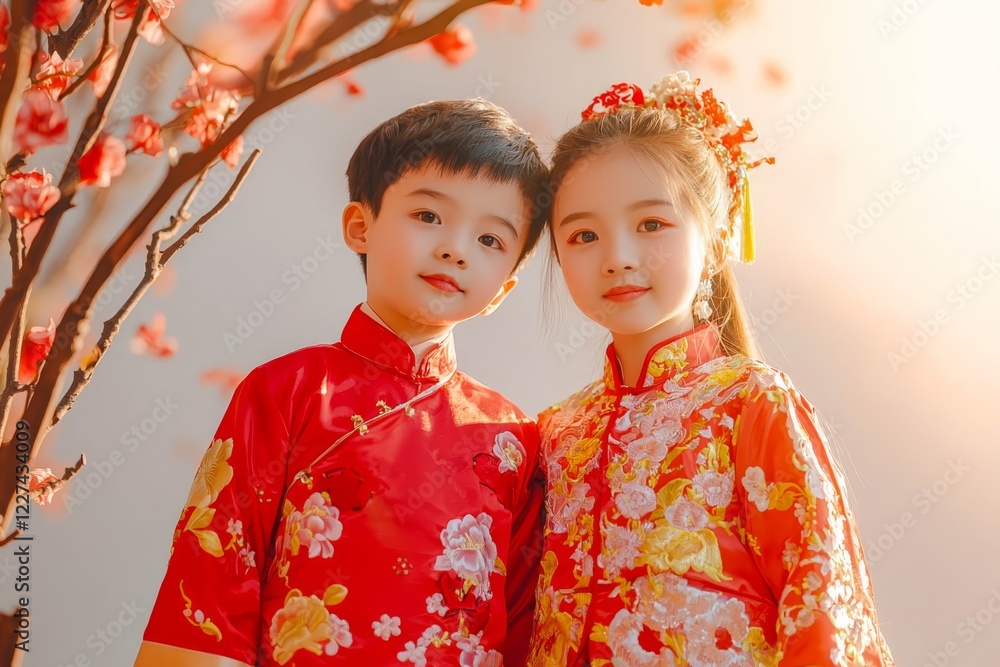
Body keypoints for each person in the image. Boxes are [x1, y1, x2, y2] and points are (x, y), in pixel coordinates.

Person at [135, 98, 549, 667]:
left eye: (491, 241)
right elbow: (213, 583)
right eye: (429, 216)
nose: (455, 248)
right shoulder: (287, 390)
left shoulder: (514, 439)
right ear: (360, 226)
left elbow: (526, 623)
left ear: (503, 288)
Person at [526, 73, 895, 666]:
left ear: (718, 239)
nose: (617, 258)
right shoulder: (555, 435)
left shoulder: (752, 405)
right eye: (584, 234)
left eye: (651, 224)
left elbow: (824, 608)